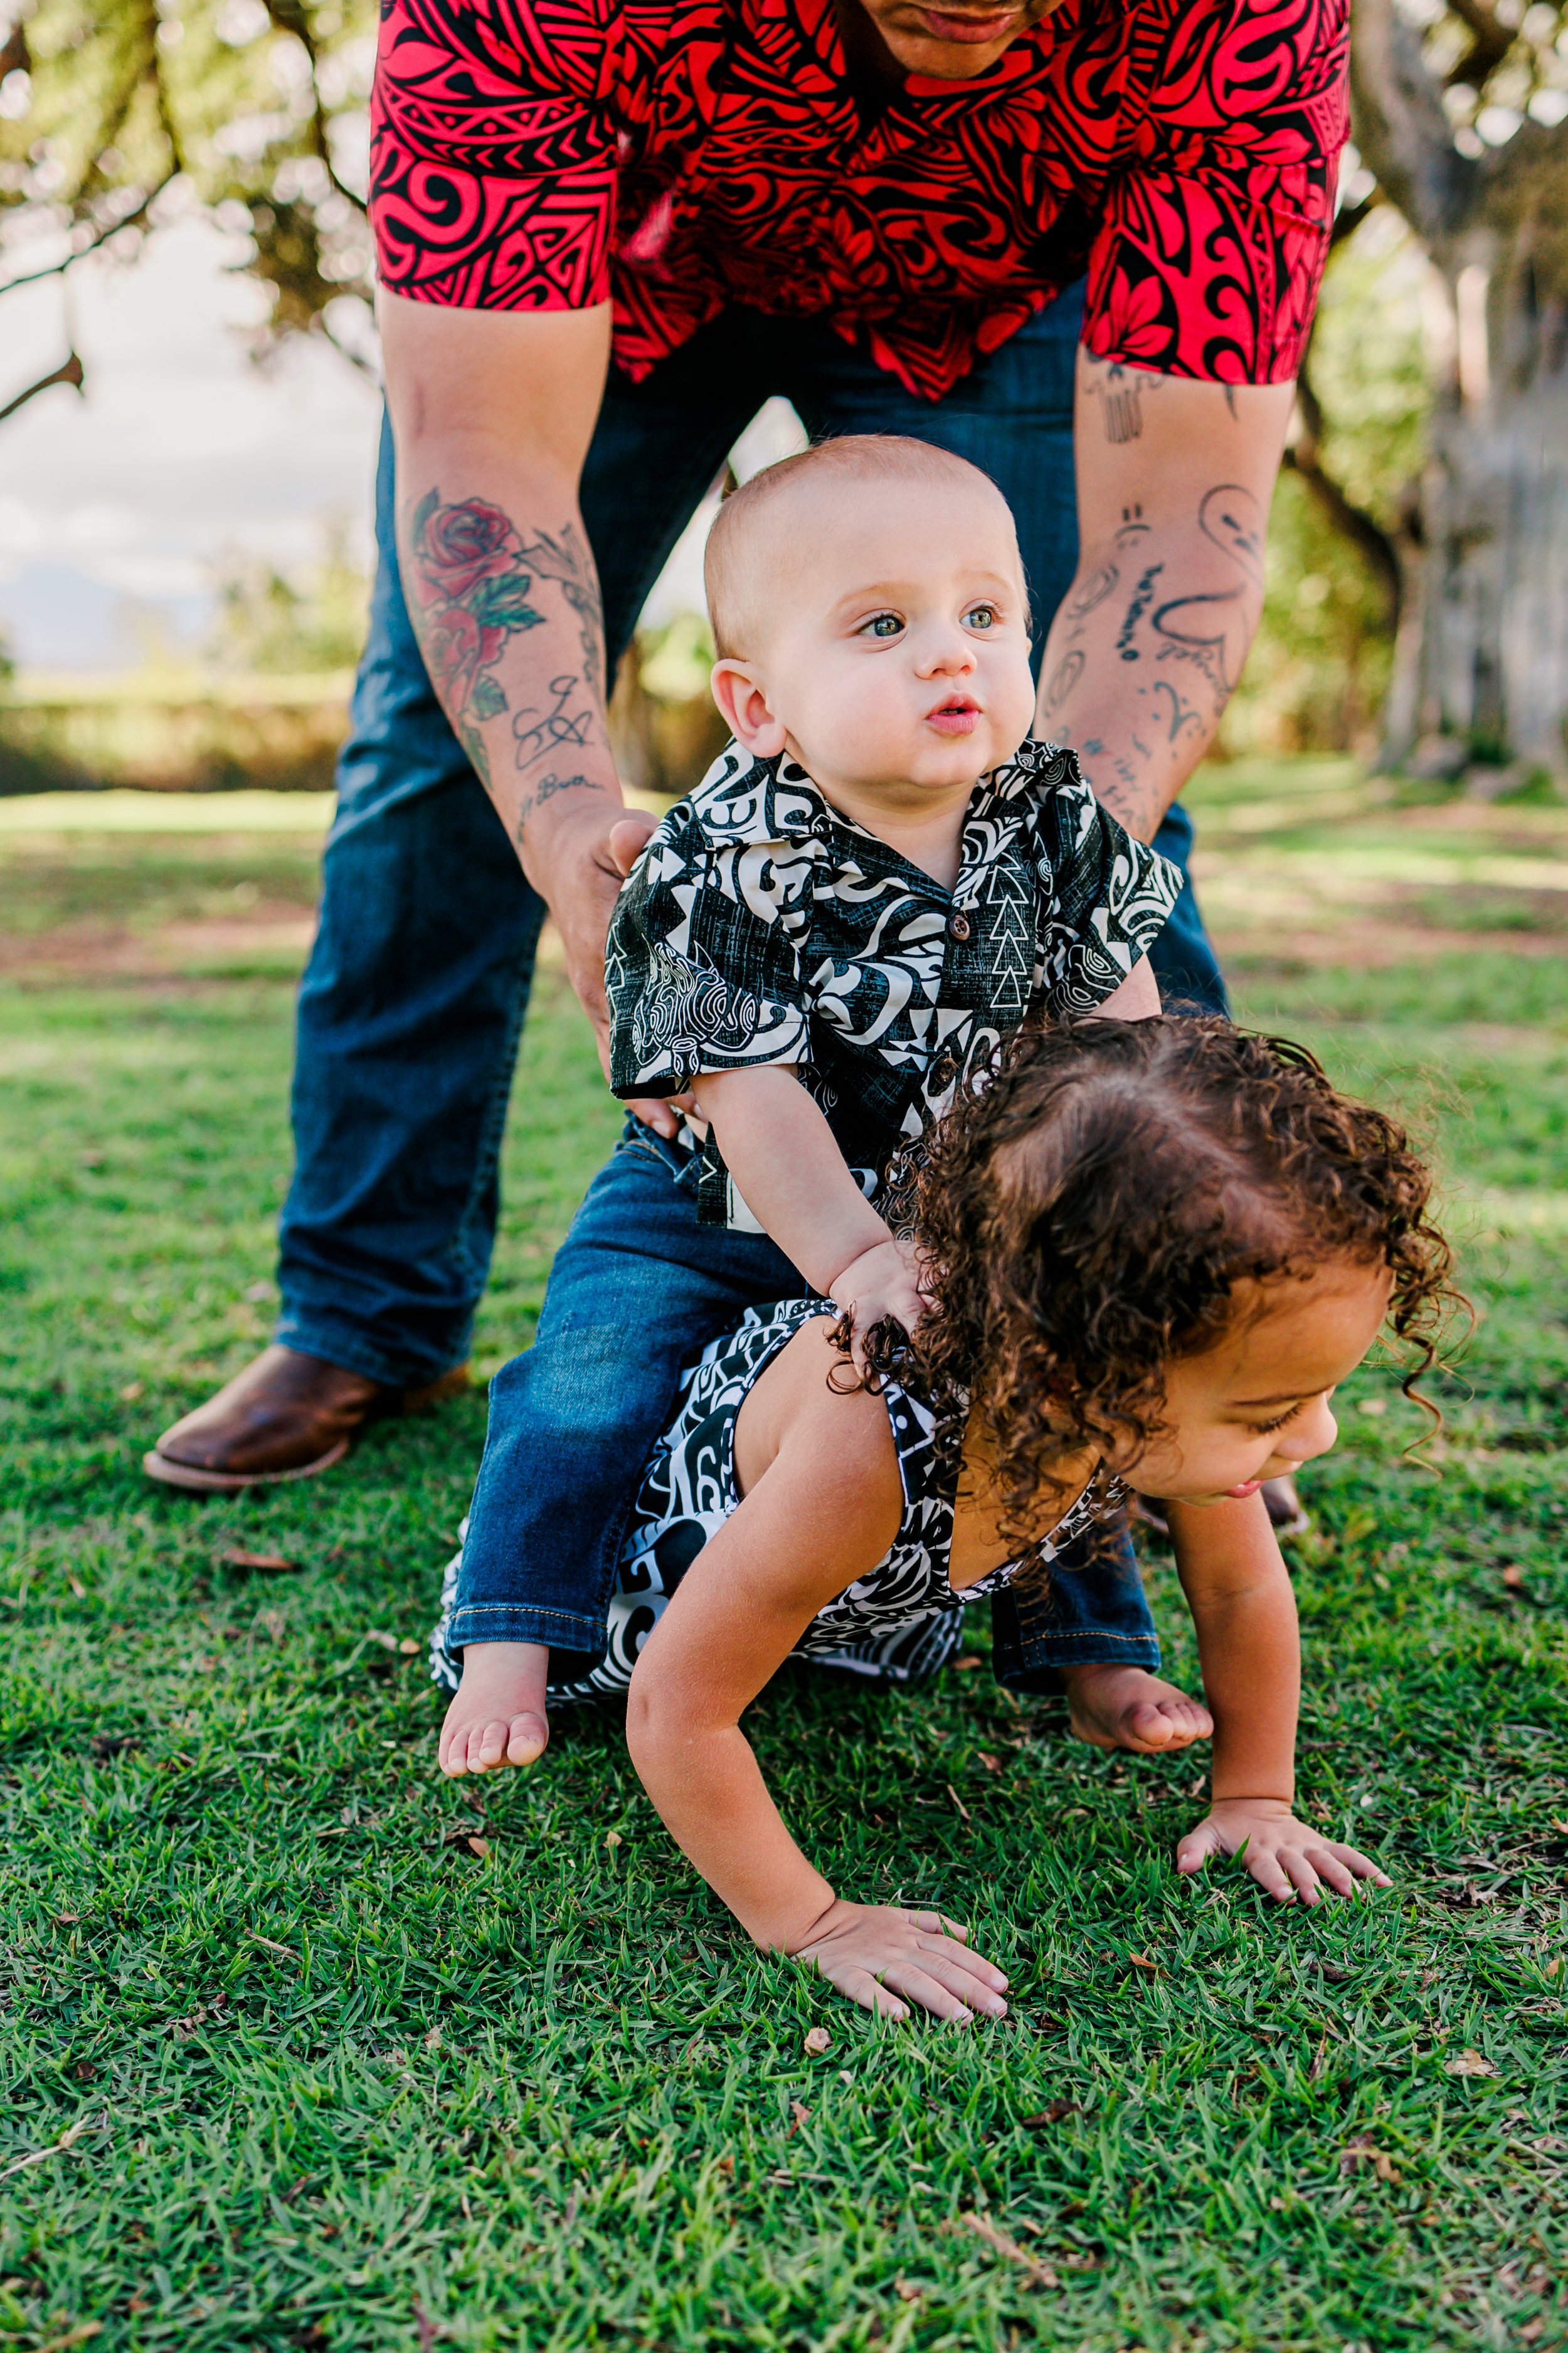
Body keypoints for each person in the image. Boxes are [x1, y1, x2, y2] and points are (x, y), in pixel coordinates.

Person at [143, 0, 1344, 1527]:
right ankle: (363, 1310)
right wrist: (568, 813)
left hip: (993, 297)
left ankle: (1163, 1336)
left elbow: (1175, 525)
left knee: (1046, 755)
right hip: (621, 272)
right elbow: (486, 477)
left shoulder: (1247, 18)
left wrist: (1037, 850)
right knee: (439, 751)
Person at [444, 1016, 1455, 2016]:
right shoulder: (865, 1442)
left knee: (1097, 1488)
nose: (1314, 1438)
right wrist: (815, 1921)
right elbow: (677, 1712)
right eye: (1270, 1412)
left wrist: (1254, 1799)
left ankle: (1091, 1660)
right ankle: (509, 1631)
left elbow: (1238, 1588)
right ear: (1075, 1370)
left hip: (840, 1601)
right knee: (610, 1441)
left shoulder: (1095, 1395)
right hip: (642, 1603)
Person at [435, 433, 1189, 1768]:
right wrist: (851, 1257)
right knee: (588, 1379)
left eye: (983, 613)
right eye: (881, 624)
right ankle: (512, 1630)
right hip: (712, 1201)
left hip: (952, 1189)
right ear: (757, 706)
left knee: (1056, 1373)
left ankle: (1094, 1651)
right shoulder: (721, 857)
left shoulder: (1051, 825)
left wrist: (1128, 1185)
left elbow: (1123, 1032)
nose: (948, 653)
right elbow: (756, 1100)